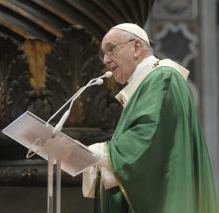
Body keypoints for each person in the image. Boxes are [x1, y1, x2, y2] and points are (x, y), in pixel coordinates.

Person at [82, 23, 218, 213]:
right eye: (103, 53)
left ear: (136, 47)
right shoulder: (149, 82)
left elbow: (148, 138)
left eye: (111, 49)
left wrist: (102, 152)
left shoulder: (163, 78)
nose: (105, 59)